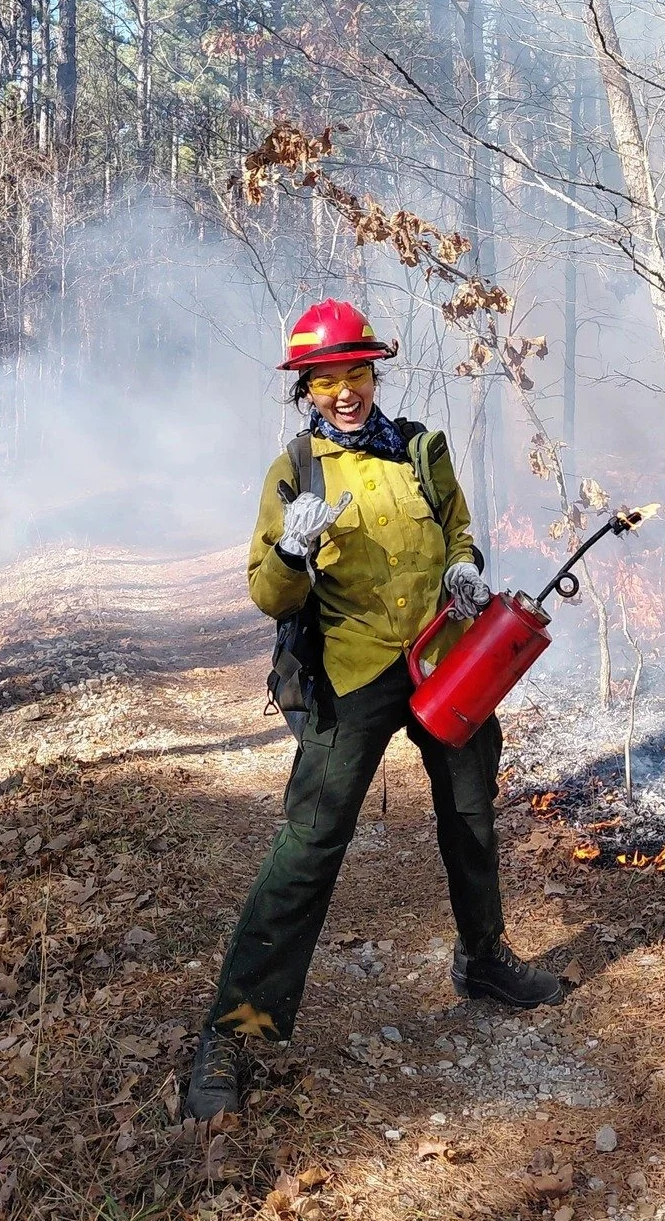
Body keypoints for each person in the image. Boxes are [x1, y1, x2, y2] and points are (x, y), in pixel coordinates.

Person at [186, 298, 563, 1119]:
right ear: (308, 390)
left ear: (373, 373)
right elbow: (266, 591)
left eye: (356, 373)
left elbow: (457, 529)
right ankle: (238, 1027)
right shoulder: (296, 470)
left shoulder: (421, 449)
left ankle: (484, 957)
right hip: (349, 674)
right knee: (310, 844)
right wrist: (292, 549)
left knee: (471, 810)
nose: (345, 392)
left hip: (442, 661)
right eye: (328, 380)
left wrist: (464, 570)